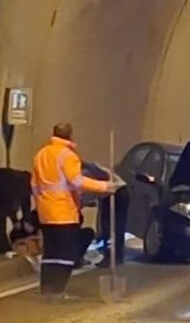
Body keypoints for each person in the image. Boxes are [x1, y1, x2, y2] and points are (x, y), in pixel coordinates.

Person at [32, 123, 119, 298]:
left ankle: (47, 289)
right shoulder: (68, 156)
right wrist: (105, 186)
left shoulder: (41, 154)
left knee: (50, 252)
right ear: (70, 135)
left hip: (46, 213)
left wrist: (42, 202)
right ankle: (58, 290)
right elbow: (77, 181)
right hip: (64, 212)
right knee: (66, 253)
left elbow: (34, 185)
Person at [81, 161, 129, 266]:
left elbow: (104, 177)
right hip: (110, 194)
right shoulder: (85, 172)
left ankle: (113, 257)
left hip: (116, 193)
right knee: (109, 226)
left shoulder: (88, 170)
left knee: (112, 226)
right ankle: (114, 256)